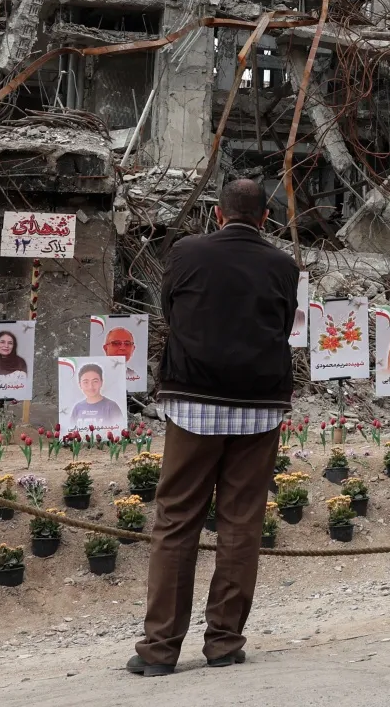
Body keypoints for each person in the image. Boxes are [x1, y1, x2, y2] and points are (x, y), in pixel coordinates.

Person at [131, 178, 298, 677]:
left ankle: (160, 650)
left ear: (218, 215)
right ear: (266, 220)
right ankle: (224, 642)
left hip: (193, 404)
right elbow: (283, 324)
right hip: (259, 406)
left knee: (176, 521)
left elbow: (171, 313)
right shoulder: (284, 265)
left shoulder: (187, 252)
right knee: (241, 523)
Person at [62, 363, 124, 430]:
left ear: (101, 382)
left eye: (95, 381)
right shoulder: (77, 408)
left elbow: (120, 432)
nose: (90, 386)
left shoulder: (112, 407)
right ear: (80, 385)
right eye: (86, 382)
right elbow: (71, 432)